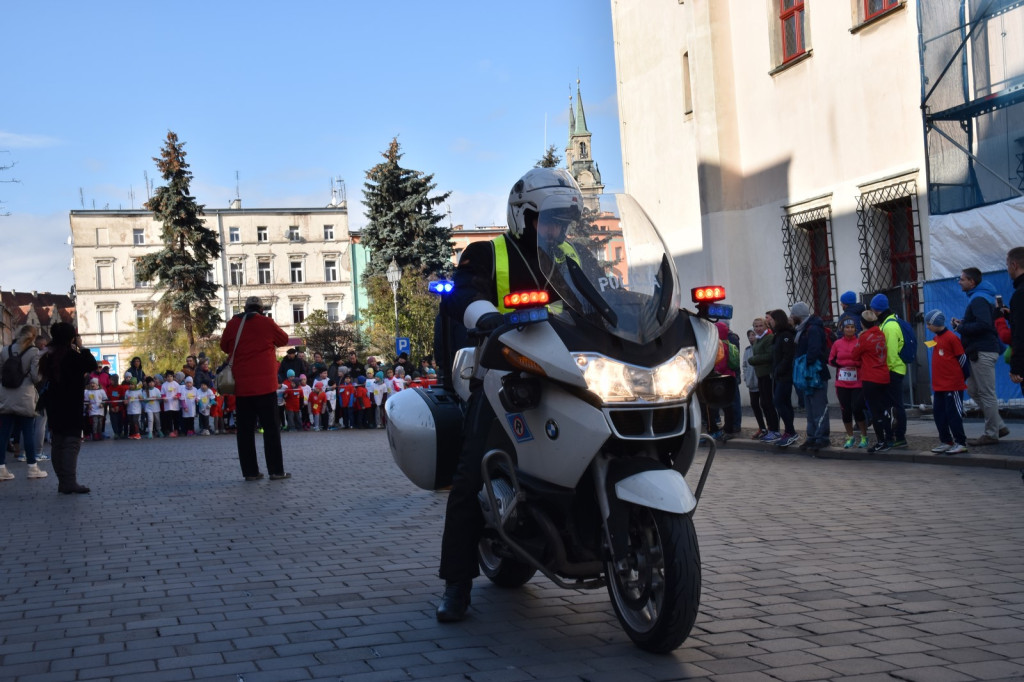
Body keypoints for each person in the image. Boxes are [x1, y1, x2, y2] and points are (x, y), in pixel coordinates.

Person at [434, 167, 583, 622]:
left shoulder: (567, 258)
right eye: (549, 220)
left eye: (562, 221)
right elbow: (461, 294)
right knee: (471, 472)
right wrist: (485, 317)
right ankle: (457, 583)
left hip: (565, 374)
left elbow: (594, 301)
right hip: (503, 376)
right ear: (524, 216)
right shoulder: (488, 252)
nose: (557, 229)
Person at [220, 296, 290, 481]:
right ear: (260, 309)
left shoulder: (233, 323)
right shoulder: (267, 322)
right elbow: (284, 339)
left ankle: (250, 472)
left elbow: (224, 346)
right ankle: (276, 471)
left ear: (244, 308)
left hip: (242, 387)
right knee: (271, 429)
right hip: (266, 386)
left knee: (244, 431)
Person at [950, 268, 1008, 446]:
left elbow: (984, 325)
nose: (959, 282)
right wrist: (964, 323)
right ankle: (999, 425)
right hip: (979, 350)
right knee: (974, 390)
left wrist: (961, 328)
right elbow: (984, 322)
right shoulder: (980, 297)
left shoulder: (979, 299)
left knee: (986, 393)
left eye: (962, 279)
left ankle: (991, 433)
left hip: (982, 351)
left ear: (972, 282)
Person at [39, 322, 97, 493]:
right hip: (71, 403)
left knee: (58, 441)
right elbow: (91, 364)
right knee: (71, 442)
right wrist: (81, 346)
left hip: (53, 402)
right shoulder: (71, 355)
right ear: (71, 337)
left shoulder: (49, 354)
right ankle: (69, 482)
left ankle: (62, 481)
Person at [0, 324, 47, 481]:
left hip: (6, 394)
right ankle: (32, 467)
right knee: (28, 431)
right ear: (33, 337)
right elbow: (36, 376)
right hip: (25, 395)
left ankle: (1, 468)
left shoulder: (5, 350)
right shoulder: (34, 352)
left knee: (4, 433)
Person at [924, 309, 969, 455]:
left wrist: (963, 376)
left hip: (952, 385)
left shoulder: (952, 338)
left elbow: (962, 359)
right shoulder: (936, 339)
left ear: (936, 323)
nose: (927, 326)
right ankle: (946, 440)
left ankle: (960, 442)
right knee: (939, 414)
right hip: (939, 386)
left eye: (929, 323)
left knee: (953, 414)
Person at [790, 301, 831, 450]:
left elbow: (814, 350)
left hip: (815, 373)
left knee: (818, 406)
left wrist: (805, 364)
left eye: (793, 314)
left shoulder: (812, 329)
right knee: (809, 406)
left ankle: (822, 437)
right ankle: (812, 435)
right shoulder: (803, 329)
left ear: (798, 315)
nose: (791, 316)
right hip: (807, 373)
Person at [870, 294, 908, 448]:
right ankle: (893, 435)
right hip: (891, 369)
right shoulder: (885, 322)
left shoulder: (890, 326)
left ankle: (900, 436)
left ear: (876, 309)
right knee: (891, 406)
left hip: (893, 370)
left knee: (896, 406)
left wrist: (886, 370)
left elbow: (891, 353)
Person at [853, 310, 893, 453]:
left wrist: (859, 338)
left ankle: (881, 441)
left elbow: (854, 354)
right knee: (882, 409)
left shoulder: (864, 338)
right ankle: (889, 438)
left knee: (875, 411)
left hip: (871, 377)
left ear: (862, 324)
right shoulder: (880, 334)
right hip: (883, 375)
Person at [828, 317, 868, 448]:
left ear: (856, 329)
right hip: (842, 383)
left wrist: (854, 364)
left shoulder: (860, 342)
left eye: (852, 327)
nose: (849, 329)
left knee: (857, 408)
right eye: (847, 327)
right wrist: (842, 364)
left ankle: (864, 436)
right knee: (845, 410)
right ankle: (850, 436)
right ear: (842, 329)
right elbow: (831, 360)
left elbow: (864, 359)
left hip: (858, 382)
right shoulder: (837, 344)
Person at [767, 309, 799, 447]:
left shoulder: (786, 335)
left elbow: (787, 356)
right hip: (778, 375)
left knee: (779, 401)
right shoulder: (778, 335)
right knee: (783, 403)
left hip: (785, 375)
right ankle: (788, 431)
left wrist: (779, 369)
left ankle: (790, 431)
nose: (770, 323)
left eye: (772, 320)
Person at [747, 317, 780, 441]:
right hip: (760, 374)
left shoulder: (768, 338)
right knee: (763, 403)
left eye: (760, 326)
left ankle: (775, 429)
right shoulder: (758, 340)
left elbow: (769, 355)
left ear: (766, 326)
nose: (758, 328)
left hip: (767, 374)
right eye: (755, 326)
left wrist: (753, 360)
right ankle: (769, 428)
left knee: (769, 403)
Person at [742, 329, 767, 439]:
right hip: (752, 383)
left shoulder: (761, 348)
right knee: (755, 405)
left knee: (765, 404)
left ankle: (770, 427)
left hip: (761, 380)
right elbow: (745, 365)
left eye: (753, 335)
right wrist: (747, 378)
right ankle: (761, 427)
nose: (751, 337)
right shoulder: (747, 350)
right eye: (749, 335)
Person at [1008, 247, 1024, 392]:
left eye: (1008, 266)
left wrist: (1017, 366)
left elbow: (1020, 332)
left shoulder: (1020, 294)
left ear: (1014, 265)